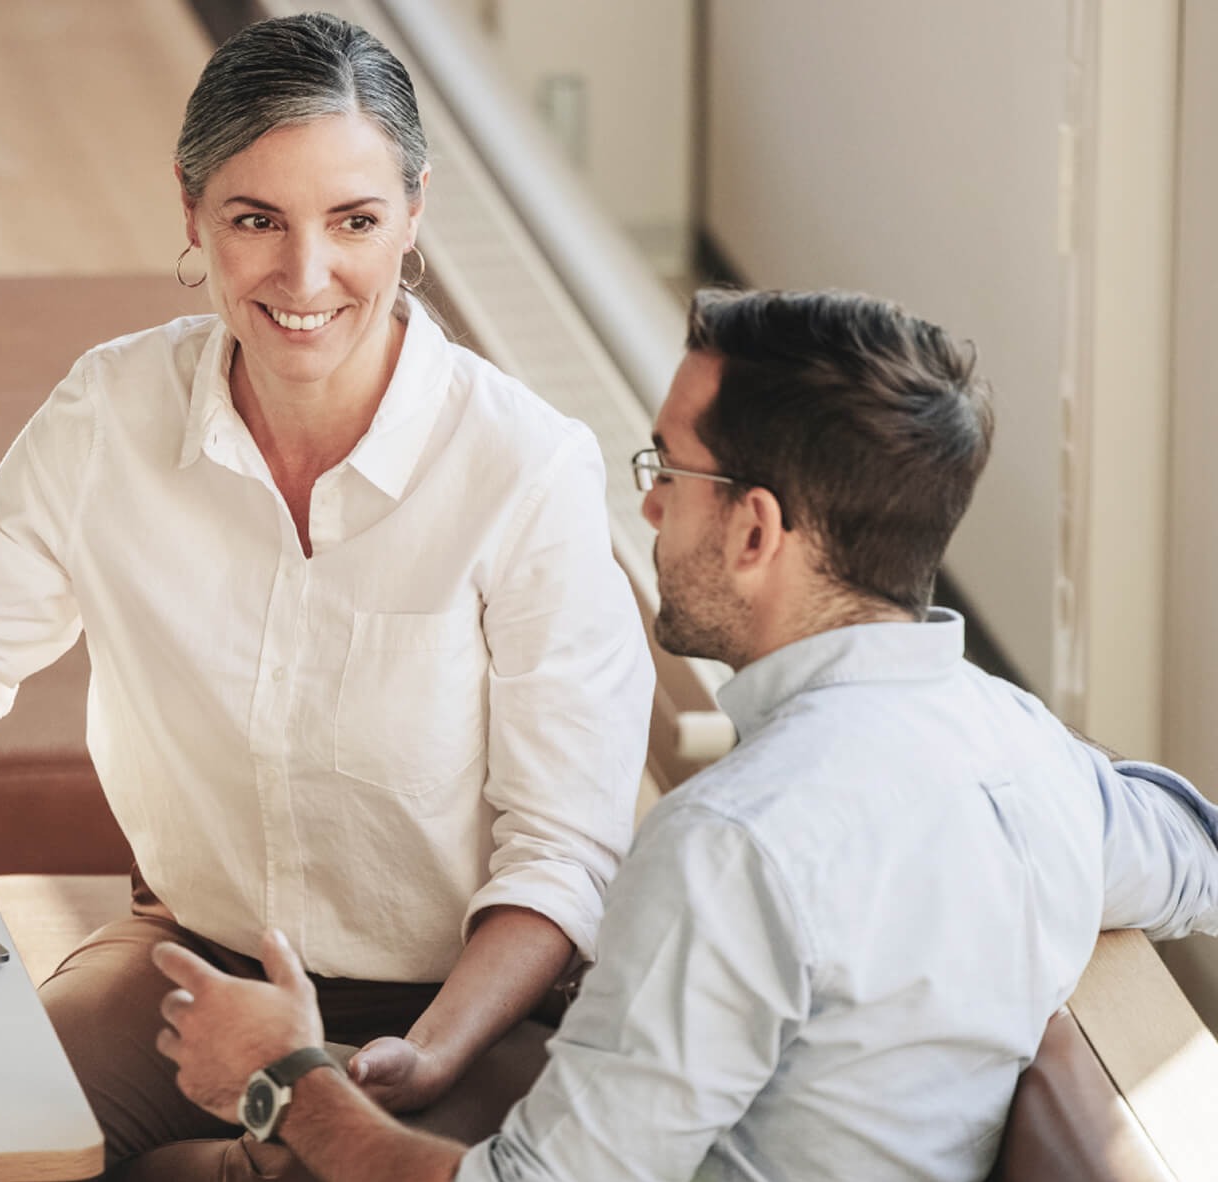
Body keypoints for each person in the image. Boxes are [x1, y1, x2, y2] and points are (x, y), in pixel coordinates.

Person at [153, 286, 1218, 1182]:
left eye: (668, 470)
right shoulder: (1030, 755)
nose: (651, 509)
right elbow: (1193, 853)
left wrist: (285, 1083)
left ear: (755, 529)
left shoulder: (734, 842)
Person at [0, 11, 653, 1178]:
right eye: (256, 220)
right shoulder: (110, 413)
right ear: (192, 208)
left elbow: (563, 848)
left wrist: (429, 1051)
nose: (304, 278)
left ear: (415, 211)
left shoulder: (524, 467)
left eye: (354, 221)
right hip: (191, 966)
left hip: (459, 1007)